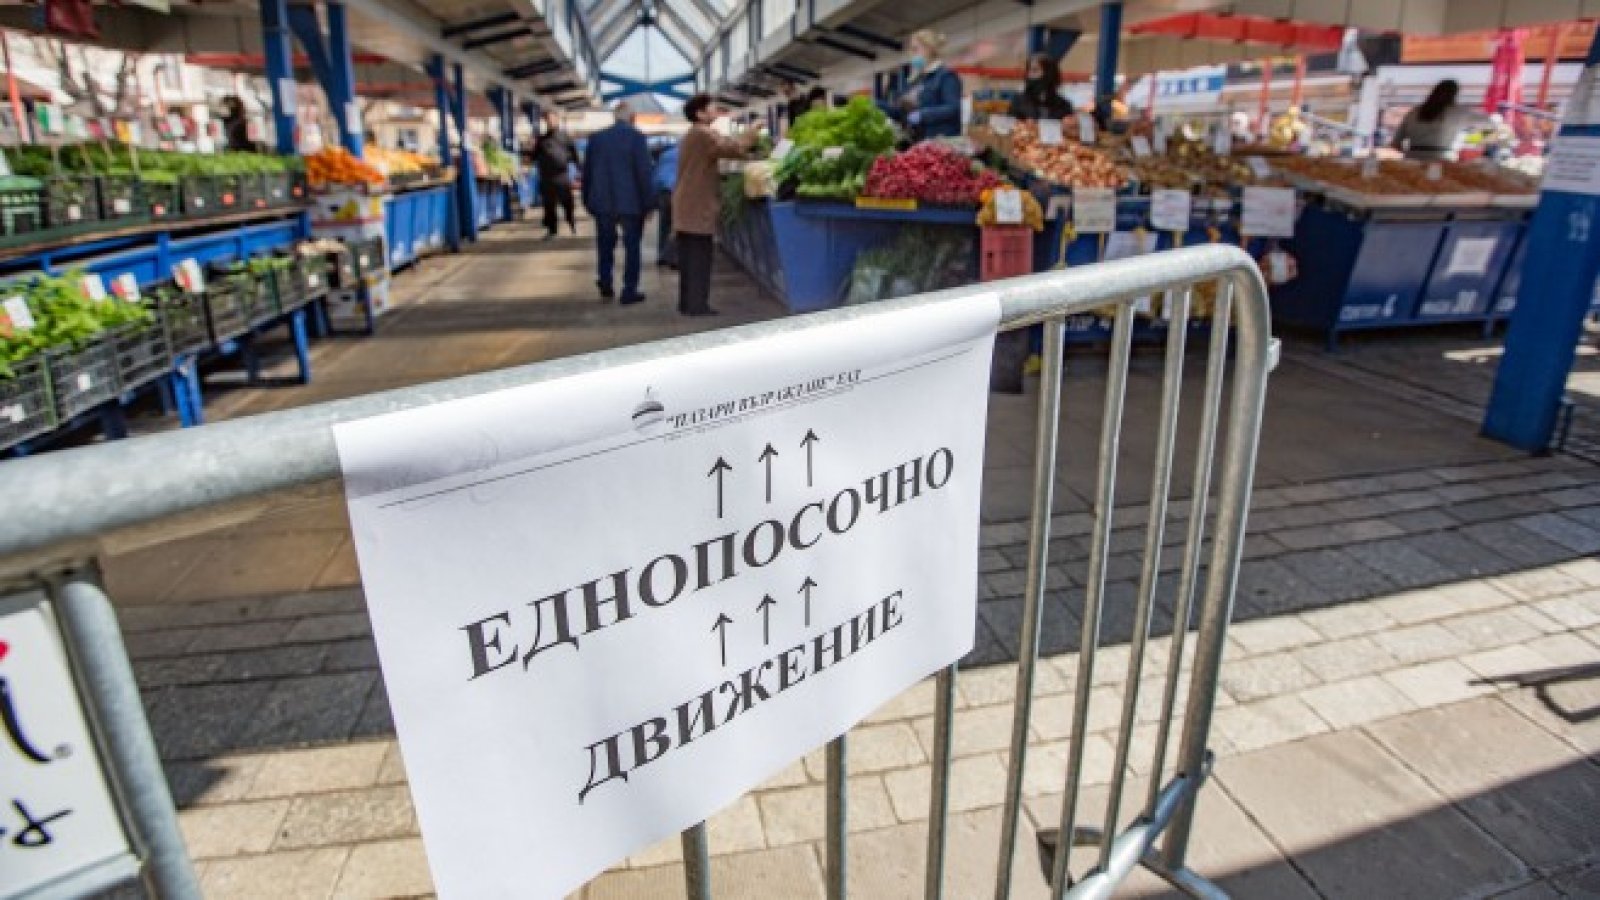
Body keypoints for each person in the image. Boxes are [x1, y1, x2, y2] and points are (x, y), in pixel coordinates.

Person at [673, 93, 763, 317]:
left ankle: (687, 303)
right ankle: (697, 306)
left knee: (690, 258)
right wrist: (753, 131)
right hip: (697, 207)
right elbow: (732, 147)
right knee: (699, 257)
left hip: (688, 205)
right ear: (700, 113)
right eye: (711, 107)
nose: (716, 110)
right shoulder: (703, 134)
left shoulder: (694, 134)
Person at [582, 102, 656, 304]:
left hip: (602, 201)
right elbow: (643, 173)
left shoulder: (596, 138)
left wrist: (587, 200)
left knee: (605, 244)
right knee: (632, 247)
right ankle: (629, 290)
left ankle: (605, 281)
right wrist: (649, 203)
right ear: (633, 118)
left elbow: (587, 172)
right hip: (631, 203)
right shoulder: (637, 138)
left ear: (614, 117)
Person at [887, 30, 963, 140]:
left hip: (942, 141)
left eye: (915, 49)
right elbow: (903, 113)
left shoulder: (946, 76)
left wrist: (923, 115)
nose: (912, 54)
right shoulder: (917, 80)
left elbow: (952, 108)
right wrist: (880, 106)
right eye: (911, 50)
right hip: (921, 139)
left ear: (929, 49)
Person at [1391, 79, 1482, 161]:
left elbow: (1395, 144)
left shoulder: (1414, 112)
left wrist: (1412, 152)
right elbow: (1488, 127)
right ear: (1455, 95)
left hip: (1413, 161)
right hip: (1444, 161)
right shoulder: (1460, 112)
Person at [532, 110, 578, 238]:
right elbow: (534, 156)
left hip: (562, 176)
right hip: (547, 177)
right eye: (548, 119)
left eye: (552, 119)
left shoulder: (565, 137)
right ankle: (552, 230)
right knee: (549, 205)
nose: (550, 122)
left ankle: (571, 221)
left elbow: (574, 155)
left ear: (557, 120)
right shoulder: (541, 139)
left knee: (567, 202)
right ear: (545, 121)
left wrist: (578, 171)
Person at [1008, 53, 1072, 121]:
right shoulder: (1019, 101)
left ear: (1048, 74)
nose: (1030, 75)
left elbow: (1070, 125)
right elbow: (1010, 124)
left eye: (1035, 71)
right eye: (1029, 71)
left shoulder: (1063, 105)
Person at [653, 140, 679, 269]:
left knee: (663, 225)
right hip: (678, 192)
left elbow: (657, 177)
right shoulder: (685, 153)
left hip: (664, 193)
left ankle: (662, 255)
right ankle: (674, 257)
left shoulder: (664, 156)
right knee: (677, 225)